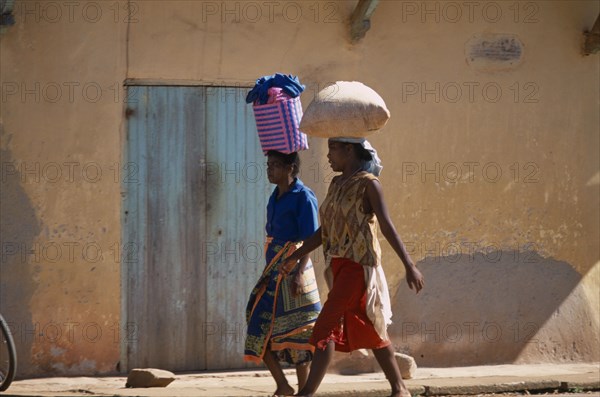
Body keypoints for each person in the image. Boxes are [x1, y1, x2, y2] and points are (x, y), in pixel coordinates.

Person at [280, 138, 425, 397]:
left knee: (324, 328)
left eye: (332, 149)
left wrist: (409, 265)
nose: (327, 157)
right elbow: (326, 231)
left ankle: (307, 393)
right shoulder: (336, 184)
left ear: (350, 149)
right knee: (369, 327)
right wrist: (296, 255)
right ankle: (400, 388)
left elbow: (387, 226)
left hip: (359, 267)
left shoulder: (370, 185)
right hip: (339, 266)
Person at [244, 150, 322, 397]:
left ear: (290, 168)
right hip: (274, 271)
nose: (270, 169)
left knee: (298, 332)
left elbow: (310, 239)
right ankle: (283, 384)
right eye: (268, 165)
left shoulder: (303, 197)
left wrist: (298, 272)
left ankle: (302, 390)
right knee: (257, 325)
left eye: (276, 165)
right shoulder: (274, 197)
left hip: (294, 272)